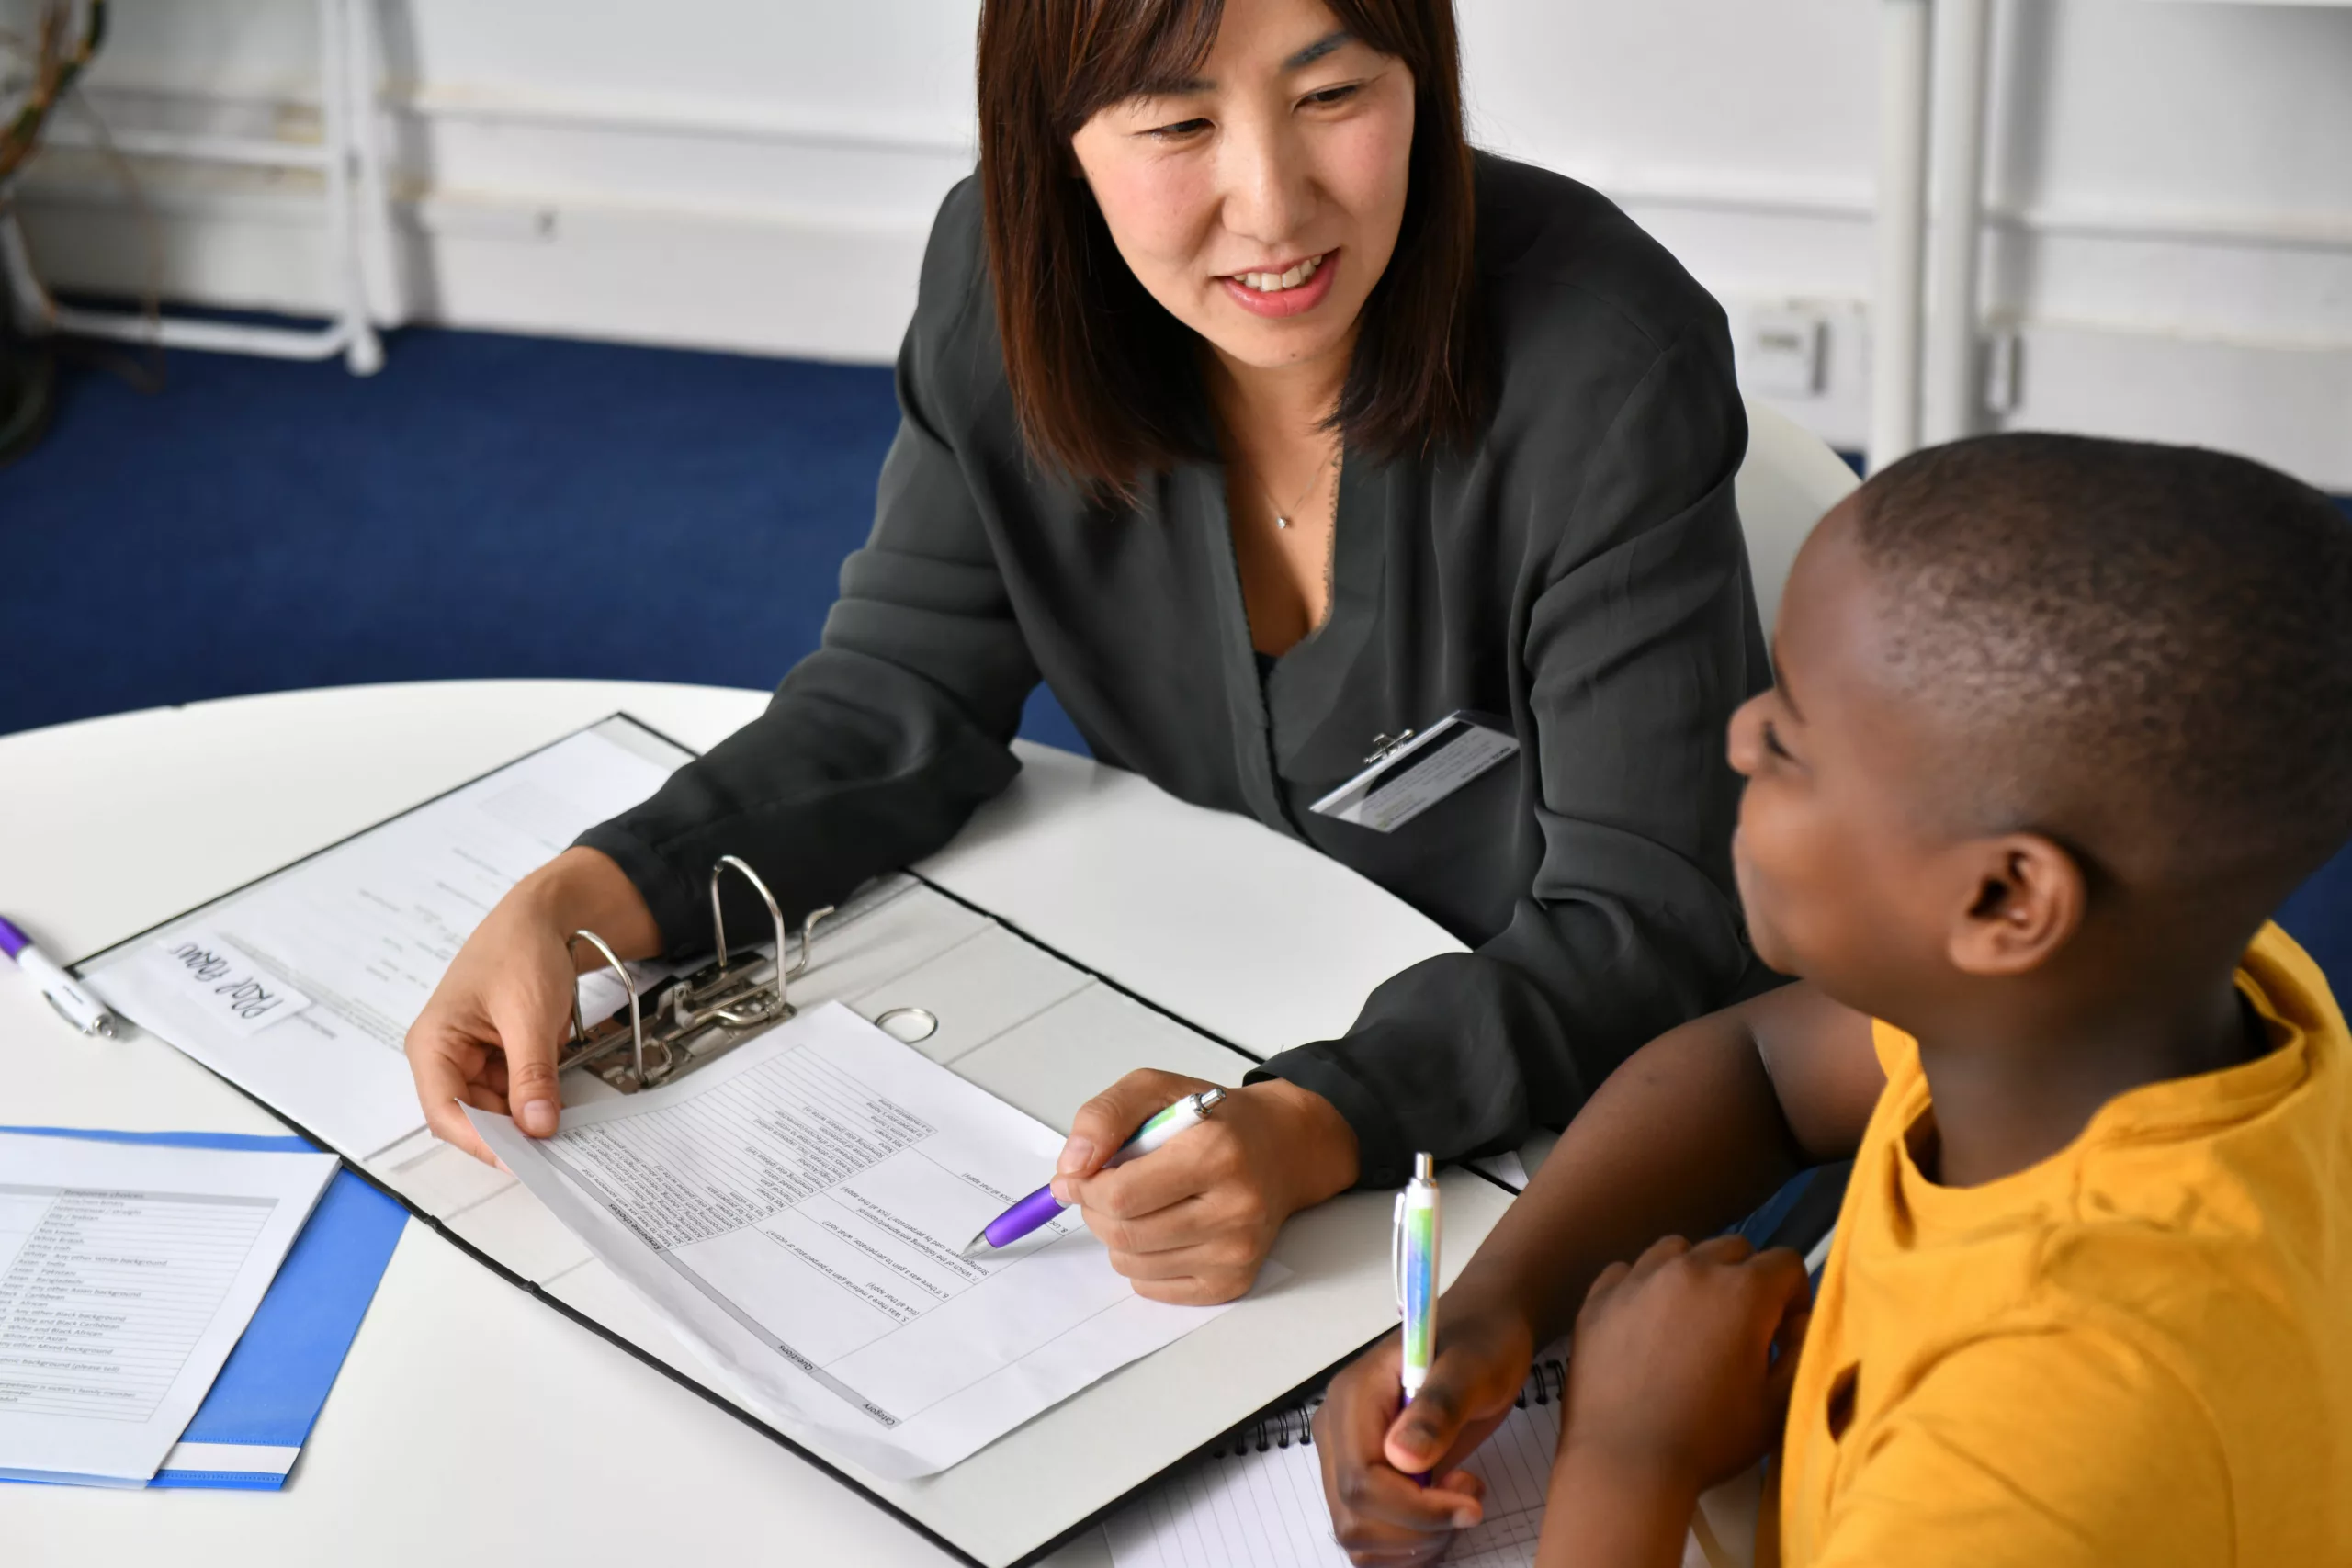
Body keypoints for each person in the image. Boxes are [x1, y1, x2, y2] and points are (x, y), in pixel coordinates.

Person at [403, 0, 1769, 1307]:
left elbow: (1647, 920)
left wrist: (1318, 1120)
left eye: (1334, 95)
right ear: (1052, 135)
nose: (1276, 205)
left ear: (1426, 76)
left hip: (1540, 1109)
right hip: (1210, 988)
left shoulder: (1605, 357)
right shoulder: (1005, 281)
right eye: (1177, 125)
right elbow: (901, 694)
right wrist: (575, 901)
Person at [1314, 433, 2352, 1566]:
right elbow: (1760, 1069)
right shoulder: (2147, 1001)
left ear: (2004, 897)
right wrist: (1497, 1305)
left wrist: (1629, 1454)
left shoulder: (2040, 1444)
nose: (1741, 734)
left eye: (1794, 737)